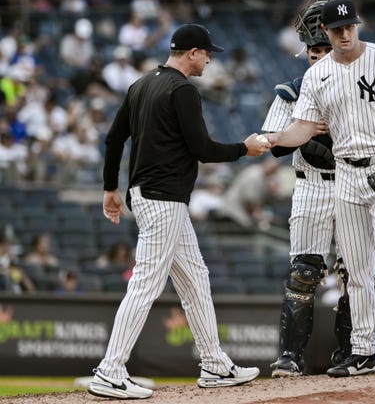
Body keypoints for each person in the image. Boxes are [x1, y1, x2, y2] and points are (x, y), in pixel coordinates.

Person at [88, 23, 270, 400]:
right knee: (147, 283)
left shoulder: (140, 85)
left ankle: (214, 364)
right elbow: (203, 149)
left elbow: (113, 138)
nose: (208, 59)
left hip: (152, 196)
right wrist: (243, 148)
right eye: (206, 53)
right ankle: (109, 370)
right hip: (163, 198)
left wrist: (110, 188)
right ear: (192, 53)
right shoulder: (183, 88)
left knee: (195, 279)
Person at [264, 0, 375, 377]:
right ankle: (362, 350)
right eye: (335, 29)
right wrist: (269, 140)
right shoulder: (314, 77)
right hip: (345, 174)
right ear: (324, 31)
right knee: (354, 269)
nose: (343, 33)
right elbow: (301, 128)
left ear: (358, 25)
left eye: (348, 26)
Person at [261, 0, 351, 377]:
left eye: (322, 47)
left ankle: (352, 353)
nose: (317, 54)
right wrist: (310, 136)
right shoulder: (293, 89)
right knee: (304, 273)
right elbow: (272, 142)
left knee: (352, 275)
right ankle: (290, 357)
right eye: (312, 49)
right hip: (312, 185)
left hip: (352, 184)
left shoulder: (359, 86)